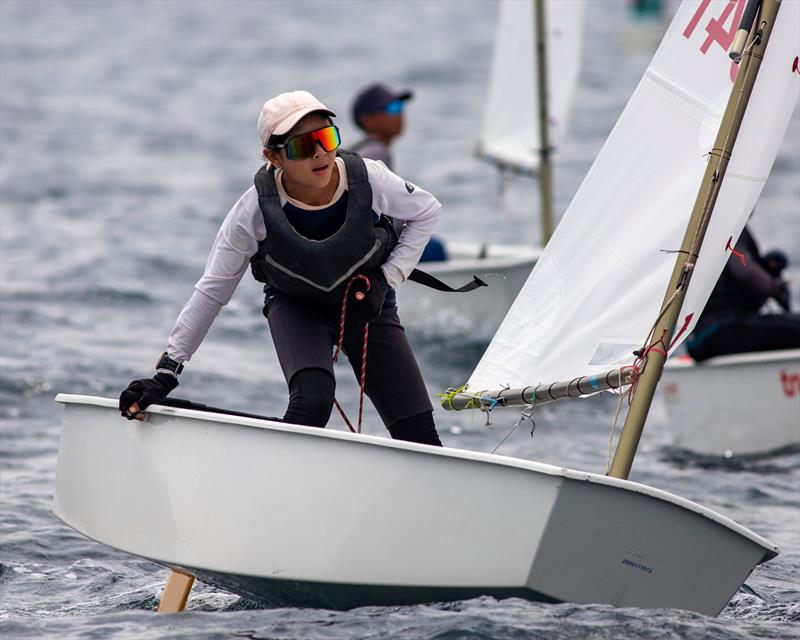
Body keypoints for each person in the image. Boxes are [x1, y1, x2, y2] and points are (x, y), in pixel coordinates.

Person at [119, 90, 443, 446]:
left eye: (326, 137)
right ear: (273, 157)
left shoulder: (369, 178)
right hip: (297, 307)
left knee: (419, 436)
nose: (320, 153)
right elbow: (212, 292)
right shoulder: (253, 211)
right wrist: (168, 371)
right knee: (311, 405)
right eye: (302, 147)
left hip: (368, 302)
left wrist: (386, 278)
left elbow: (426, 211)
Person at [351, 82, 447, 262]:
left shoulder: (365, 150)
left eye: (401, 107)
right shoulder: (376, 153)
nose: (401, 114)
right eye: (393, 108)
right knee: (436, 249)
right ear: (368, 120)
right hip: (370, 247)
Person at [686, 225, 800, 361]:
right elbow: (745, 271)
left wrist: (765, 268)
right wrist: (775, 288)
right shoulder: (732, 226)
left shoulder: (724, 227)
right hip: (718, 327)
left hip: (713, 330)